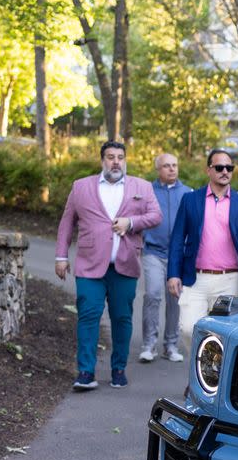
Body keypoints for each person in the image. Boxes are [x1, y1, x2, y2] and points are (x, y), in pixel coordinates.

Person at [54, 140, 161, 391]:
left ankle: (118, 369)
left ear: (125, 160)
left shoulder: (141, 187)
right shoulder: (81, 187)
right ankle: (85, 372)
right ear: (102, 160)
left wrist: (131, 223)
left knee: (122, 318)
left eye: (120, 157)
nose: (116, 161)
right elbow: (67, 222)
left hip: (125, 265)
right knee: (88, 316)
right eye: (110, 157)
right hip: (89, 266)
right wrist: (61, 256)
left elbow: (156, 216)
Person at [166, 149, 238, 346]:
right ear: (209, 170)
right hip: (195, 279)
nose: (225, 171)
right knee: (187, 328)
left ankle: (214, 376)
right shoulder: (190, 200)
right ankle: (199, 372)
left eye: (229, 168)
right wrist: (173, 273)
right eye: (219, 167)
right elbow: (177, 239)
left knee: (223, 337)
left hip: (229, 281)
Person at [139, 150, 190, 364]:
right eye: (167, 165)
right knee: (152, 295)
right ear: (158, 169)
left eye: (174, 165)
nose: (172, 169)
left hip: (178, 256)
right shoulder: (147, 191)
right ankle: (148, 344)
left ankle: (170, 345)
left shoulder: (187, 193)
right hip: (153, 251)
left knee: (175, 300)